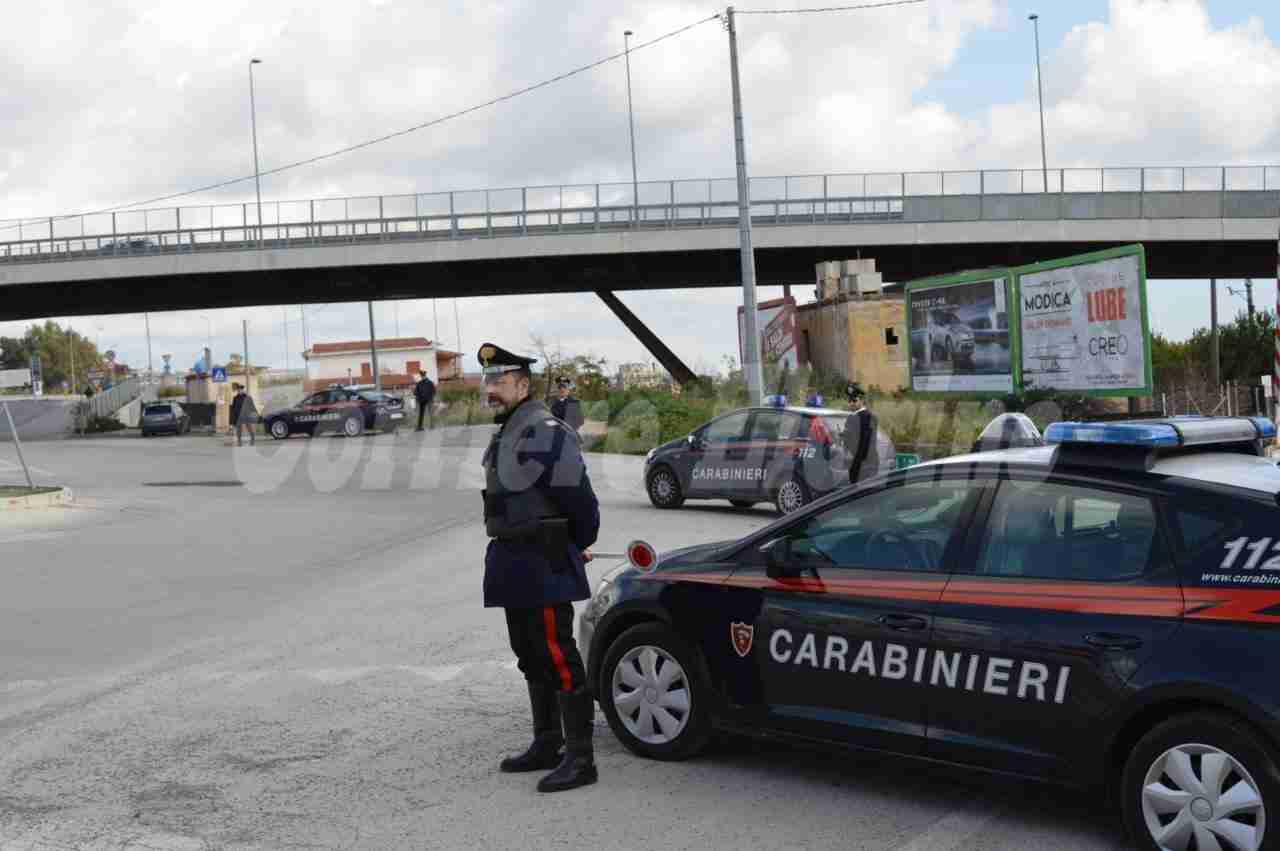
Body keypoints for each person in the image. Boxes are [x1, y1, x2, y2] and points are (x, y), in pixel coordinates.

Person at [479, 343, 600, 793]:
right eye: (487, 381)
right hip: (513, 560)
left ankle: (581, 758)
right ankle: (546, 743)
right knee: (530, 655)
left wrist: (575, 544)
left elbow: (581, 502)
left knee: (558, 656)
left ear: (523, 384)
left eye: (500, 381)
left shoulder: (547, 429)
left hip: (543, 559)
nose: (491, 389)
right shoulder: (510, 428)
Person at [842, 382, 879, 484]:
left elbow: (864, 444)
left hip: (863, 464)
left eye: (854, 400)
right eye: (849, 400)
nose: (851, 403)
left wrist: (856, 463)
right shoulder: (854, 417)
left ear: (862, 400)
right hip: (860, 462)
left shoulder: (865, 417)